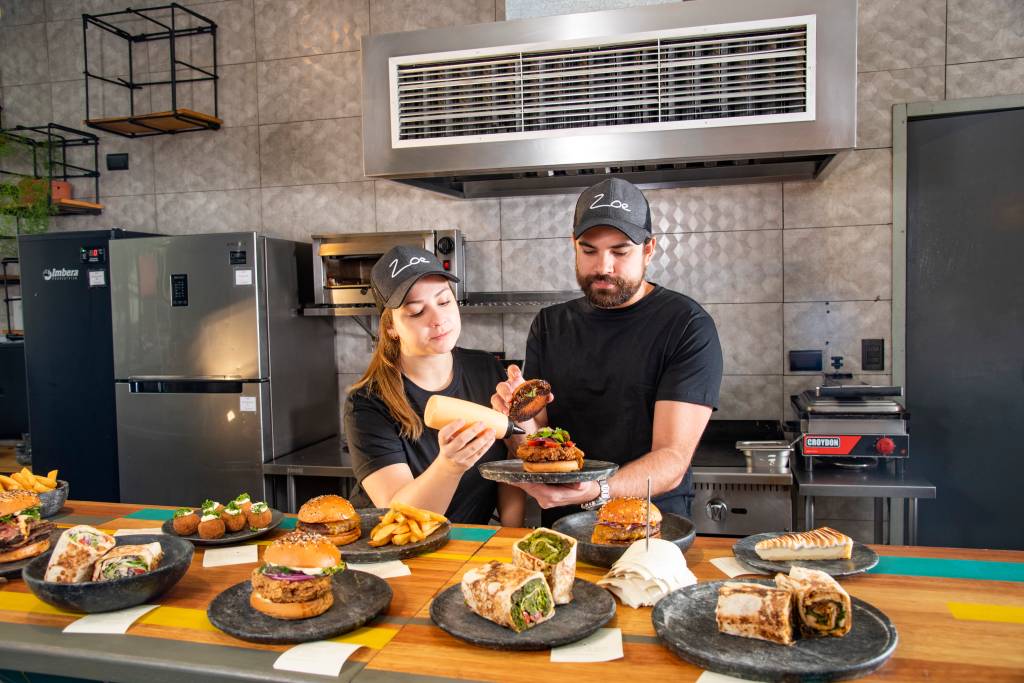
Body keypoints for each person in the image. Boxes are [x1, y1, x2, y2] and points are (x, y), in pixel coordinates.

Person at [492, 177, 723, 526]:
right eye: (589, 251)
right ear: (573, 245)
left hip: (650, 524)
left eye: (620, 251)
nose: (603, 267)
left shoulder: (686, 325)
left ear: (648, 249)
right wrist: (518, 419)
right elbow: (537, 437)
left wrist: (597, 491)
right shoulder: (549, 325)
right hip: (563, 524)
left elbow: (672, 458)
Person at [344, 245, 524, 526]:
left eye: (444, 302)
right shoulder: (368, 403)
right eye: (416, 311)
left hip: (465, 546)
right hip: (396, 552)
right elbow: (400, 517)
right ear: (391, 327)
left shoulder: (485, 368)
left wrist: (512, 535)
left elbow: (510, 465)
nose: (438, 319)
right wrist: (449, 467)